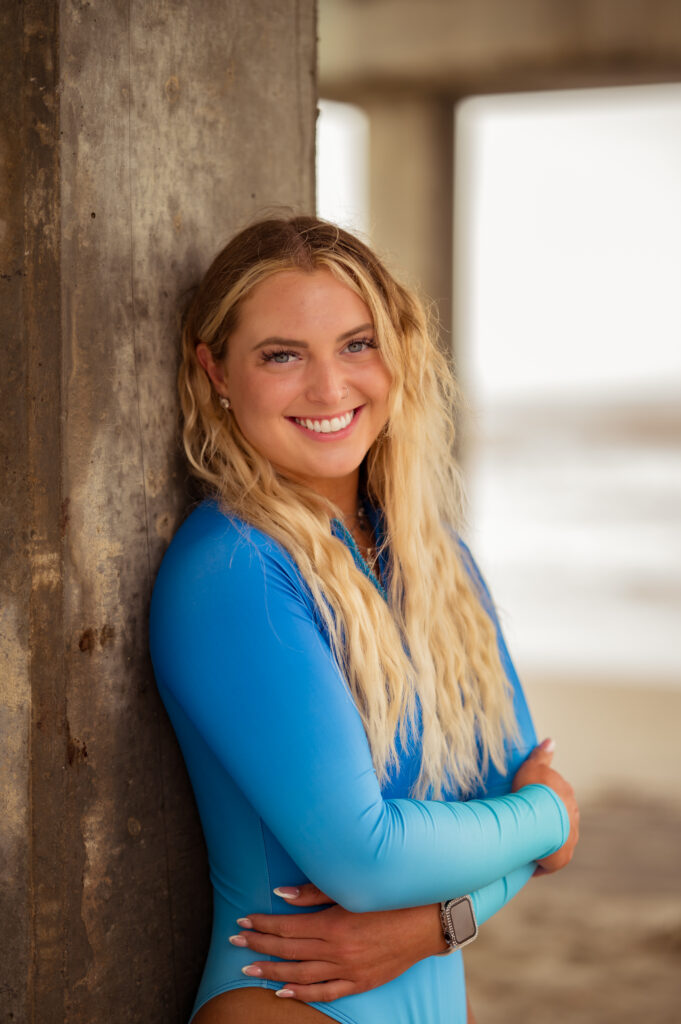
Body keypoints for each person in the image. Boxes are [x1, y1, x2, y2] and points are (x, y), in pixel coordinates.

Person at [149, 216, 579, 1024]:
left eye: (356, 344)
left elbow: (513, 811)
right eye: (281, 355)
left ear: (397, 352)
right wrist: (552, 813)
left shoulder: (436, 560)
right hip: (285, 1004)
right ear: (216, 371)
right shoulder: (236, 569)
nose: (329, 388)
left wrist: (434, 926)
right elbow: (367, 859)